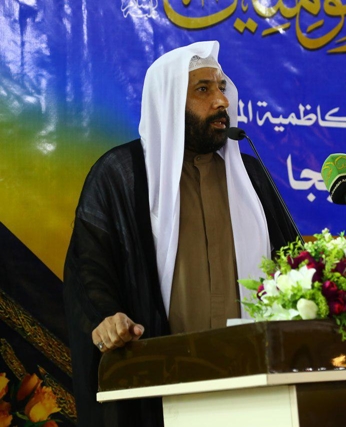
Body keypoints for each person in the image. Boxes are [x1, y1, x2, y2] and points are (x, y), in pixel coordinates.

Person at [63, 41, 298, 427]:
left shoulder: (251, 177)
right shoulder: (122, 175)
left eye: (221, 87)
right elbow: (90, 266)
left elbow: (293, 264)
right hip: (162, 383)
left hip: (254, 380)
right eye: (203, 89)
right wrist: (107, 317)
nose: (221, 101)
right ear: (169, 102)